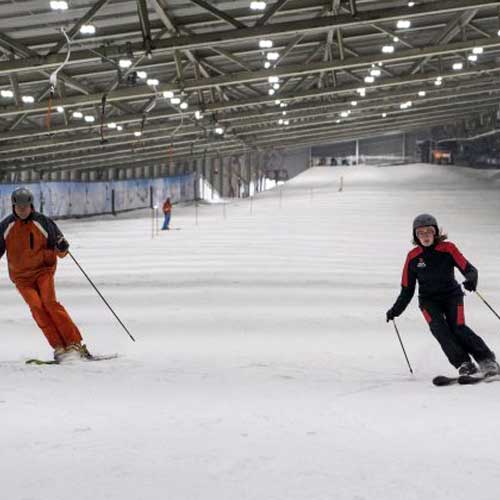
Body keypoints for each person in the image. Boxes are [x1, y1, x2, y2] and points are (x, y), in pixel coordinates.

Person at [386, 213, 499, 377]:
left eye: (429, 231)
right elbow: (407, 289)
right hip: (428, 301)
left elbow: (469, 269)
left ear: (435, 232)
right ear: (416, 236)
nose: (425, 236)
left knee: (458, 328)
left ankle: (487, 360)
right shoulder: (412, 257)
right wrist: (395, 310)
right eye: (420, 233)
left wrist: (471, 279)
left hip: (452, 296)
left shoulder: (448, 248)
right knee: (440, 330)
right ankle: (464, 364)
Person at [0, 187, 91, 362]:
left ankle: (74, 342)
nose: (22, 210)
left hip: (43, 271)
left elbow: (60, 246)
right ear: (13, 207)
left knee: (50, 303)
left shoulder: (43, 222)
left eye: (25, 207)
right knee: (37, 307)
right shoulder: (6, 226)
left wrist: (62, 247)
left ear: (31, 205)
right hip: (21, 277)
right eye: (19, 207)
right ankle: (58, 346)